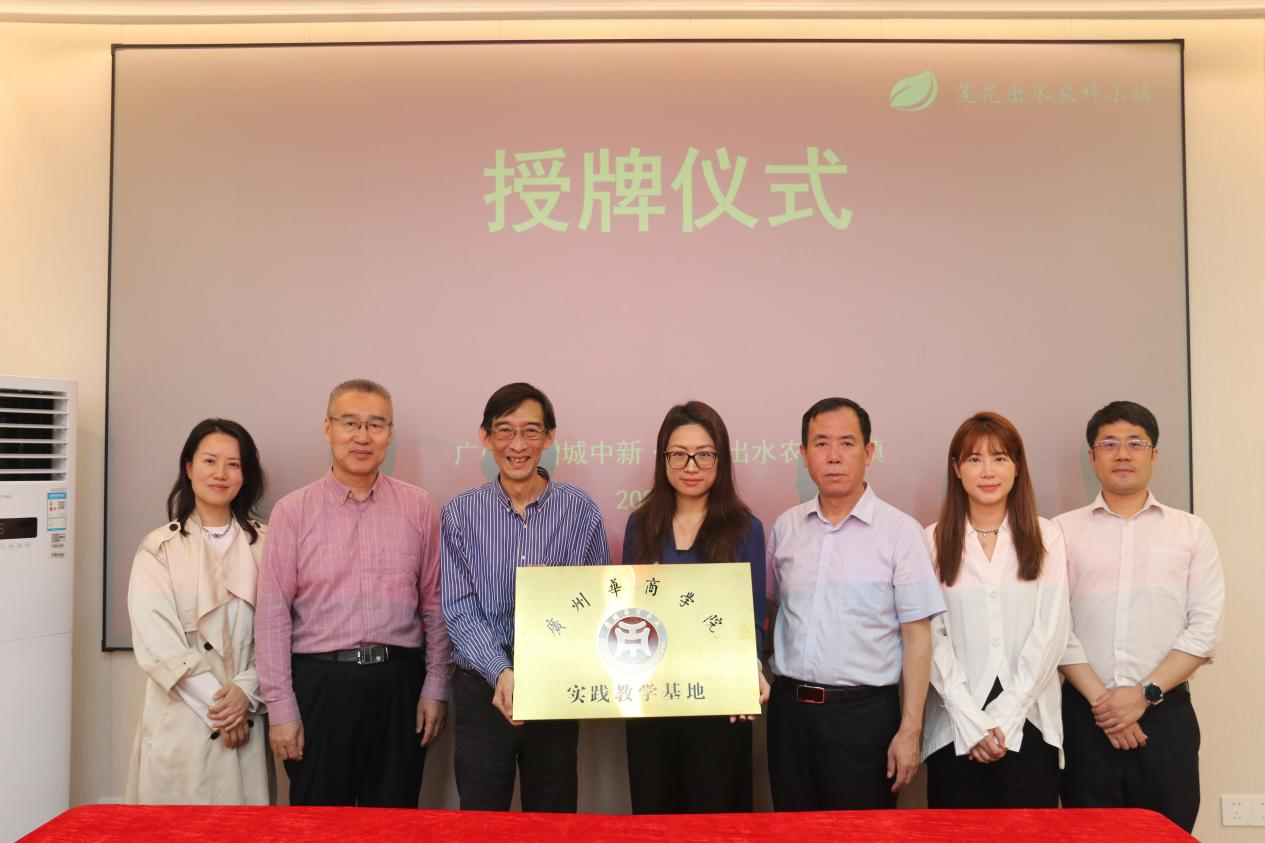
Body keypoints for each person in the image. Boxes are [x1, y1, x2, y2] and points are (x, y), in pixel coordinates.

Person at [255, 379, 452, 807]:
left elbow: (436, 605)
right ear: (328, 428)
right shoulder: (292, 512)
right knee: (321, 824)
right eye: (350, 423)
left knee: (394, 821)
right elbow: (272, 615)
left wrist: (435, 687)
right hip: (320, 686)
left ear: (389, 434)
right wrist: (281, 708)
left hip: (400, 684)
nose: (363, 436)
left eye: (375, 425)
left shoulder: (419, 506)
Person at [765, 397, 944, 810]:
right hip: (790, 715)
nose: (833, 456)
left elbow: (918, 637)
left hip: (864, 719)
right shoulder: (786, 528)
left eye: (847, 443)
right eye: (821, 444)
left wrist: (910, 730)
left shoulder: (900, 532)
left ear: (869, 452)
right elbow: (773, 613)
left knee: (861, 833)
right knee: (792, 833)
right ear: (804, 455)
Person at [441, 382, 611, 812]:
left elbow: (598, 601)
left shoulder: (580, 511)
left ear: (549, 437)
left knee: (553, 818)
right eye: (505, 431)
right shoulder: (460, 513)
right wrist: (500, 671)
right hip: (482, 687)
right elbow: (459, 608)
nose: (518, 445)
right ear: (485, 437)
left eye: (531, 431)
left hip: (556, 688)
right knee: (483, 821)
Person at [1056, 401, 1224, 832]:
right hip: (1085, 718)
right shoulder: (1060, 532)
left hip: (1166, 716)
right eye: (1109, 444)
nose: (1123, 454)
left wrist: (1144, 695)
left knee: (1168, 833)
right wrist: (1106, 705)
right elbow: (1055, 626)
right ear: (1092, 456)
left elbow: (1204, 630)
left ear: (1154, 454)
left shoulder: (1190, 531)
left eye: (1135, 443)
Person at [621, 401, 769, 814]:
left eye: (704, 454)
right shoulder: (640, 525)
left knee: (717, 821)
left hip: (720, 702)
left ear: (720, 460)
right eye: (679, 454)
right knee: (656, 819)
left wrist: (750, 671)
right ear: (663, 459)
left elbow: (752, 616)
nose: (691, 466)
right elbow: (629, 613)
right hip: (652, 700)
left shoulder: (745, 528)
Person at [922, 412, 1070, 808]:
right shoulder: (932, 540)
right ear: (957, 468)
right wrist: (970, 720)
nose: (988, 471)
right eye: (975, 459)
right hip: (954, 728)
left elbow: (1051, 632)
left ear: (1017, 466)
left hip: (1031, 722)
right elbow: (930, 638)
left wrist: (1005, 717)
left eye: (1000, 458)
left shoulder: (1046, 536)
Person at [125, 418, 269, 804]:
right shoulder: (159, 548)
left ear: (245, 475)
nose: (220, 474)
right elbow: (158, 644)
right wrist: (221, 710)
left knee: (243, 827)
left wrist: (245, 693)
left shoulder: (268, 544)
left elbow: (280, 633)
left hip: (247, 717)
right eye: (209, 461)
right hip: (182, 722)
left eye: (233, 464)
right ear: (189, 468)